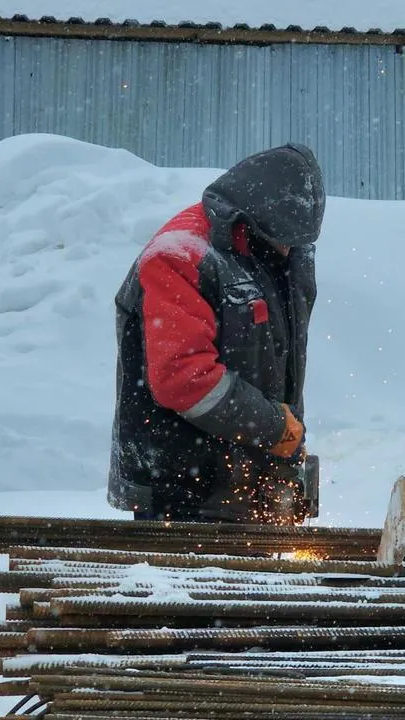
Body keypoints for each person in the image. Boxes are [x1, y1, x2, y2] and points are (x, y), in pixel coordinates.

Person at [106, 143, 325, 524]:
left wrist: (286, 453)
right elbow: (183, 378)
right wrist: (274, 428)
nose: (290, 249)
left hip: (245, 487)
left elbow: (279, 362)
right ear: (253, 218)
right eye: (284, 240)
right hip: (178, 489)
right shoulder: (179, 257)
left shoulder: (285, 255)